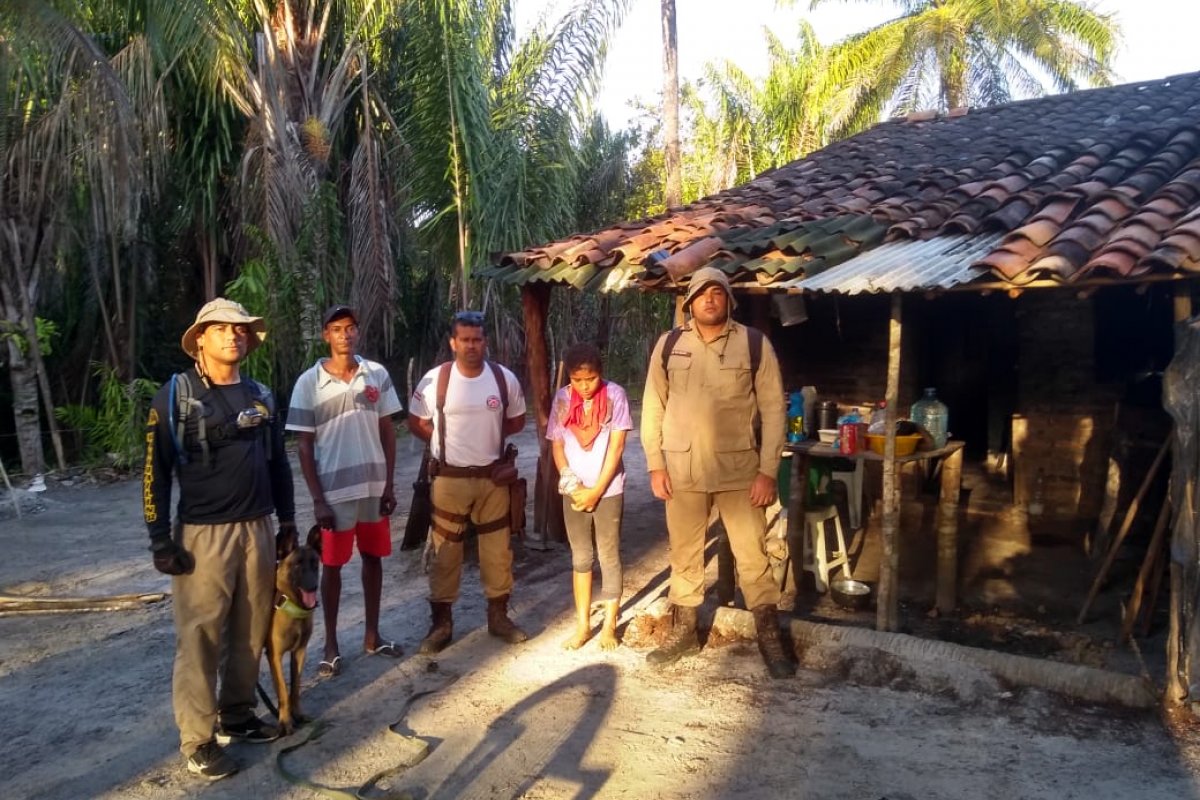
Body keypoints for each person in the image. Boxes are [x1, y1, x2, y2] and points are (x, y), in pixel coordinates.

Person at [143, 298, 296, 780]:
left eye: (242, 329)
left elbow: (277, 462)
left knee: (251, 630)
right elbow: (155, 472)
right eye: (222, 328)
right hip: (202, 534)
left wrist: (287, 520)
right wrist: (160, 539)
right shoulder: (175, 395)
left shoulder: (261, 394)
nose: (234, 335)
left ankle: (238, 714)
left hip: (258, 527)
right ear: (201, 340)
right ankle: (198, 739)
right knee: (201, 636)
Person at [640, 267, 796, 679]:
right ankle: (685, 632)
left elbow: (775, 410)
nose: (710, 299)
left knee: (753, 555)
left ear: (729, 300)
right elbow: (653, 407)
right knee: (684, 554)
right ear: (690, 302)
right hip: (682, 469)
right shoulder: (669, 344)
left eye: (718, 292)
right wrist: (655, 464)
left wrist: (767, 471)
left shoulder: (754, 345)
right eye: (702, 293)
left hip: (739, 471)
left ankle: (769, 637)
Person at [286, 305, 404, 679]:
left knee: (374, 559)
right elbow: (304, 446)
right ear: (326, 335)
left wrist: (388, 483)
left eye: (350, 328)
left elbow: (388, 431)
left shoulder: (376, 375)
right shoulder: (309, 383)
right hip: (334, 494)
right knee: (332, 567)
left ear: (357, 333)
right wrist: (318, 499)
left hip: (372, 488)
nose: (345, 335)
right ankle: (332, 645)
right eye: (337, 329)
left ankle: (372, 635)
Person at [407, 310, 529, 653]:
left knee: (497, 551)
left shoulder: (503, 379)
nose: (471, 346)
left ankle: (498, 617)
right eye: (465, 340)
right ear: (453, 343)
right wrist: (440, 439)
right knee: (446, 552)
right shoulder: (436, 381)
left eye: (477, 339)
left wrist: (487, 435)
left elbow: (517, 421)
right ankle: (441, 624)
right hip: (449, 478)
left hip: (493, 479)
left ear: (485, 342)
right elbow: (416, 423)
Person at [546, 343, 632, 650]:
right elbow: (557, 446)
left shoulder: (615, 396)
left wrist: (596, 490)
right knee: (581, 557)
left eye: (591, 379)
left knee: (609, 555)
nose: (584, 386)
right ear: (570, 377)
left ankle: (609, 624)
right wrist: (572, 485)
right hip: (575, 490)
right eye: (577, 380)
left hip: (608, 490)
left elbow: (617, 448)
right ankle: (583, 624)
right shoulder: (562, 399)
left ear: (601, 374)